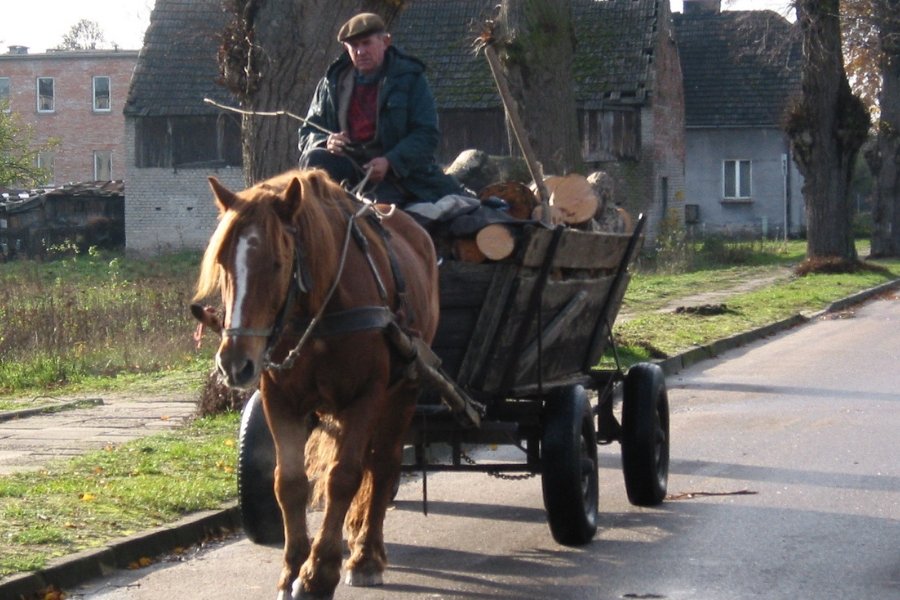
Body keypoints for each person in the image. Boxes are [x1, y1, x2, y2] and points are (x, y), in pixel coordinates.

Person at [298, 12, 466, 205]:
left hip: (399, 178)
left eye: (366, 43)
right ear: (346, 48)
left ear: (385, 42)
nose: (360, 51)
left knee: (373, 212)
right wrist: (325, 141)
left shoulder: (409, 78)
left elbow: (427, 134)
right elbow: (307, 132)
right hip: (347, 169)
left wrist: (391, 161)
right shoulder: (332, 82)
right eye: (354, 46)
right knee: (314, 159)